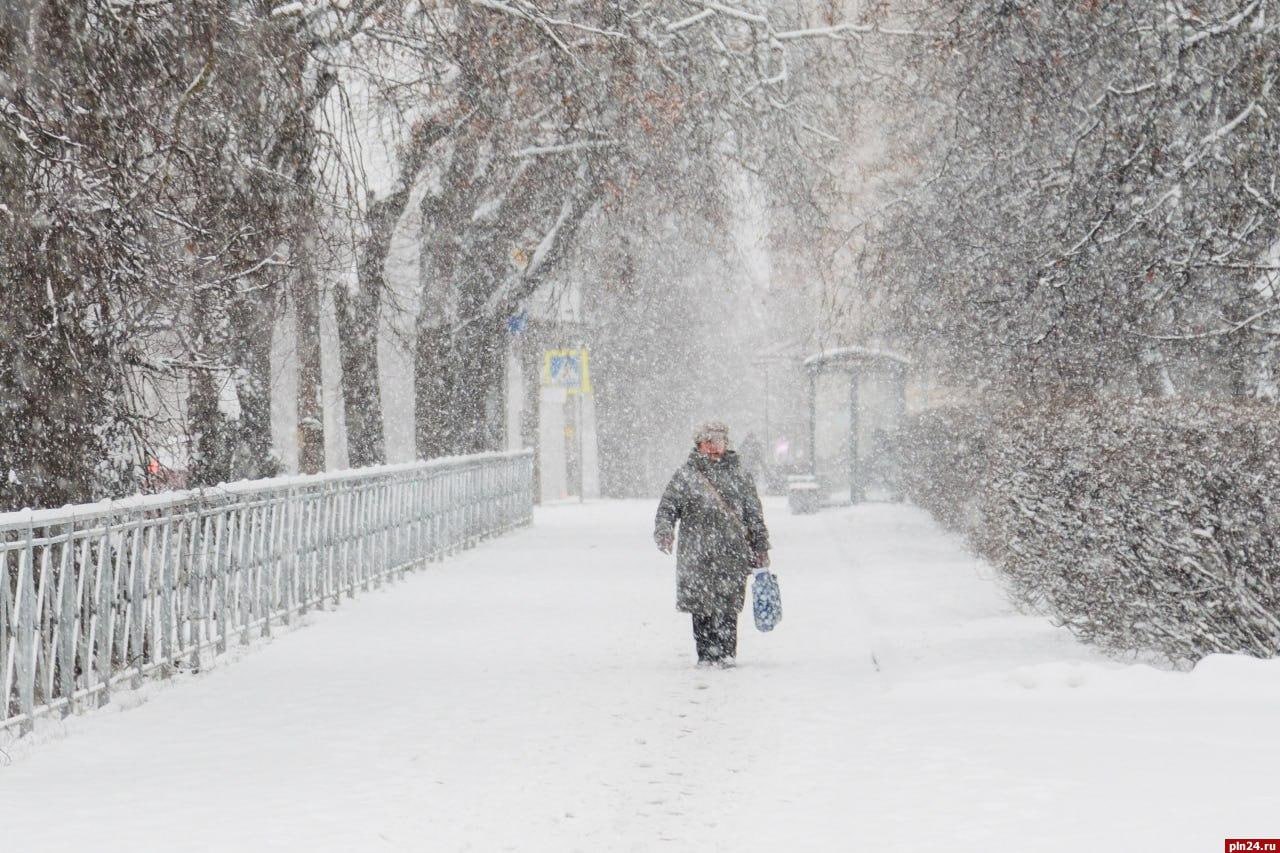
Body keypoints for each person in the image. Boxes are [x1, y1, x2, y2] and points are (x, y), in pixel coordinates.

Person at [654, 420, 771, 667]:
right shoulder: (686, 475)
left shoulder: (739, 475)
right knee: (700, 605)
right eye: (709, 442)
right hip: (696, 554)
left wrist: (760, 545)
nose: (715, 447)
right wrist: (664, 530)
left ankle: (727, 652)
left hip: (731, 552)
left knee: (728, 605)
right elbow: (668, 506)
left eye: (719, 441)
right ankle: (705, 654)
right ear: (699, 445)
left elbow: (753, 513)